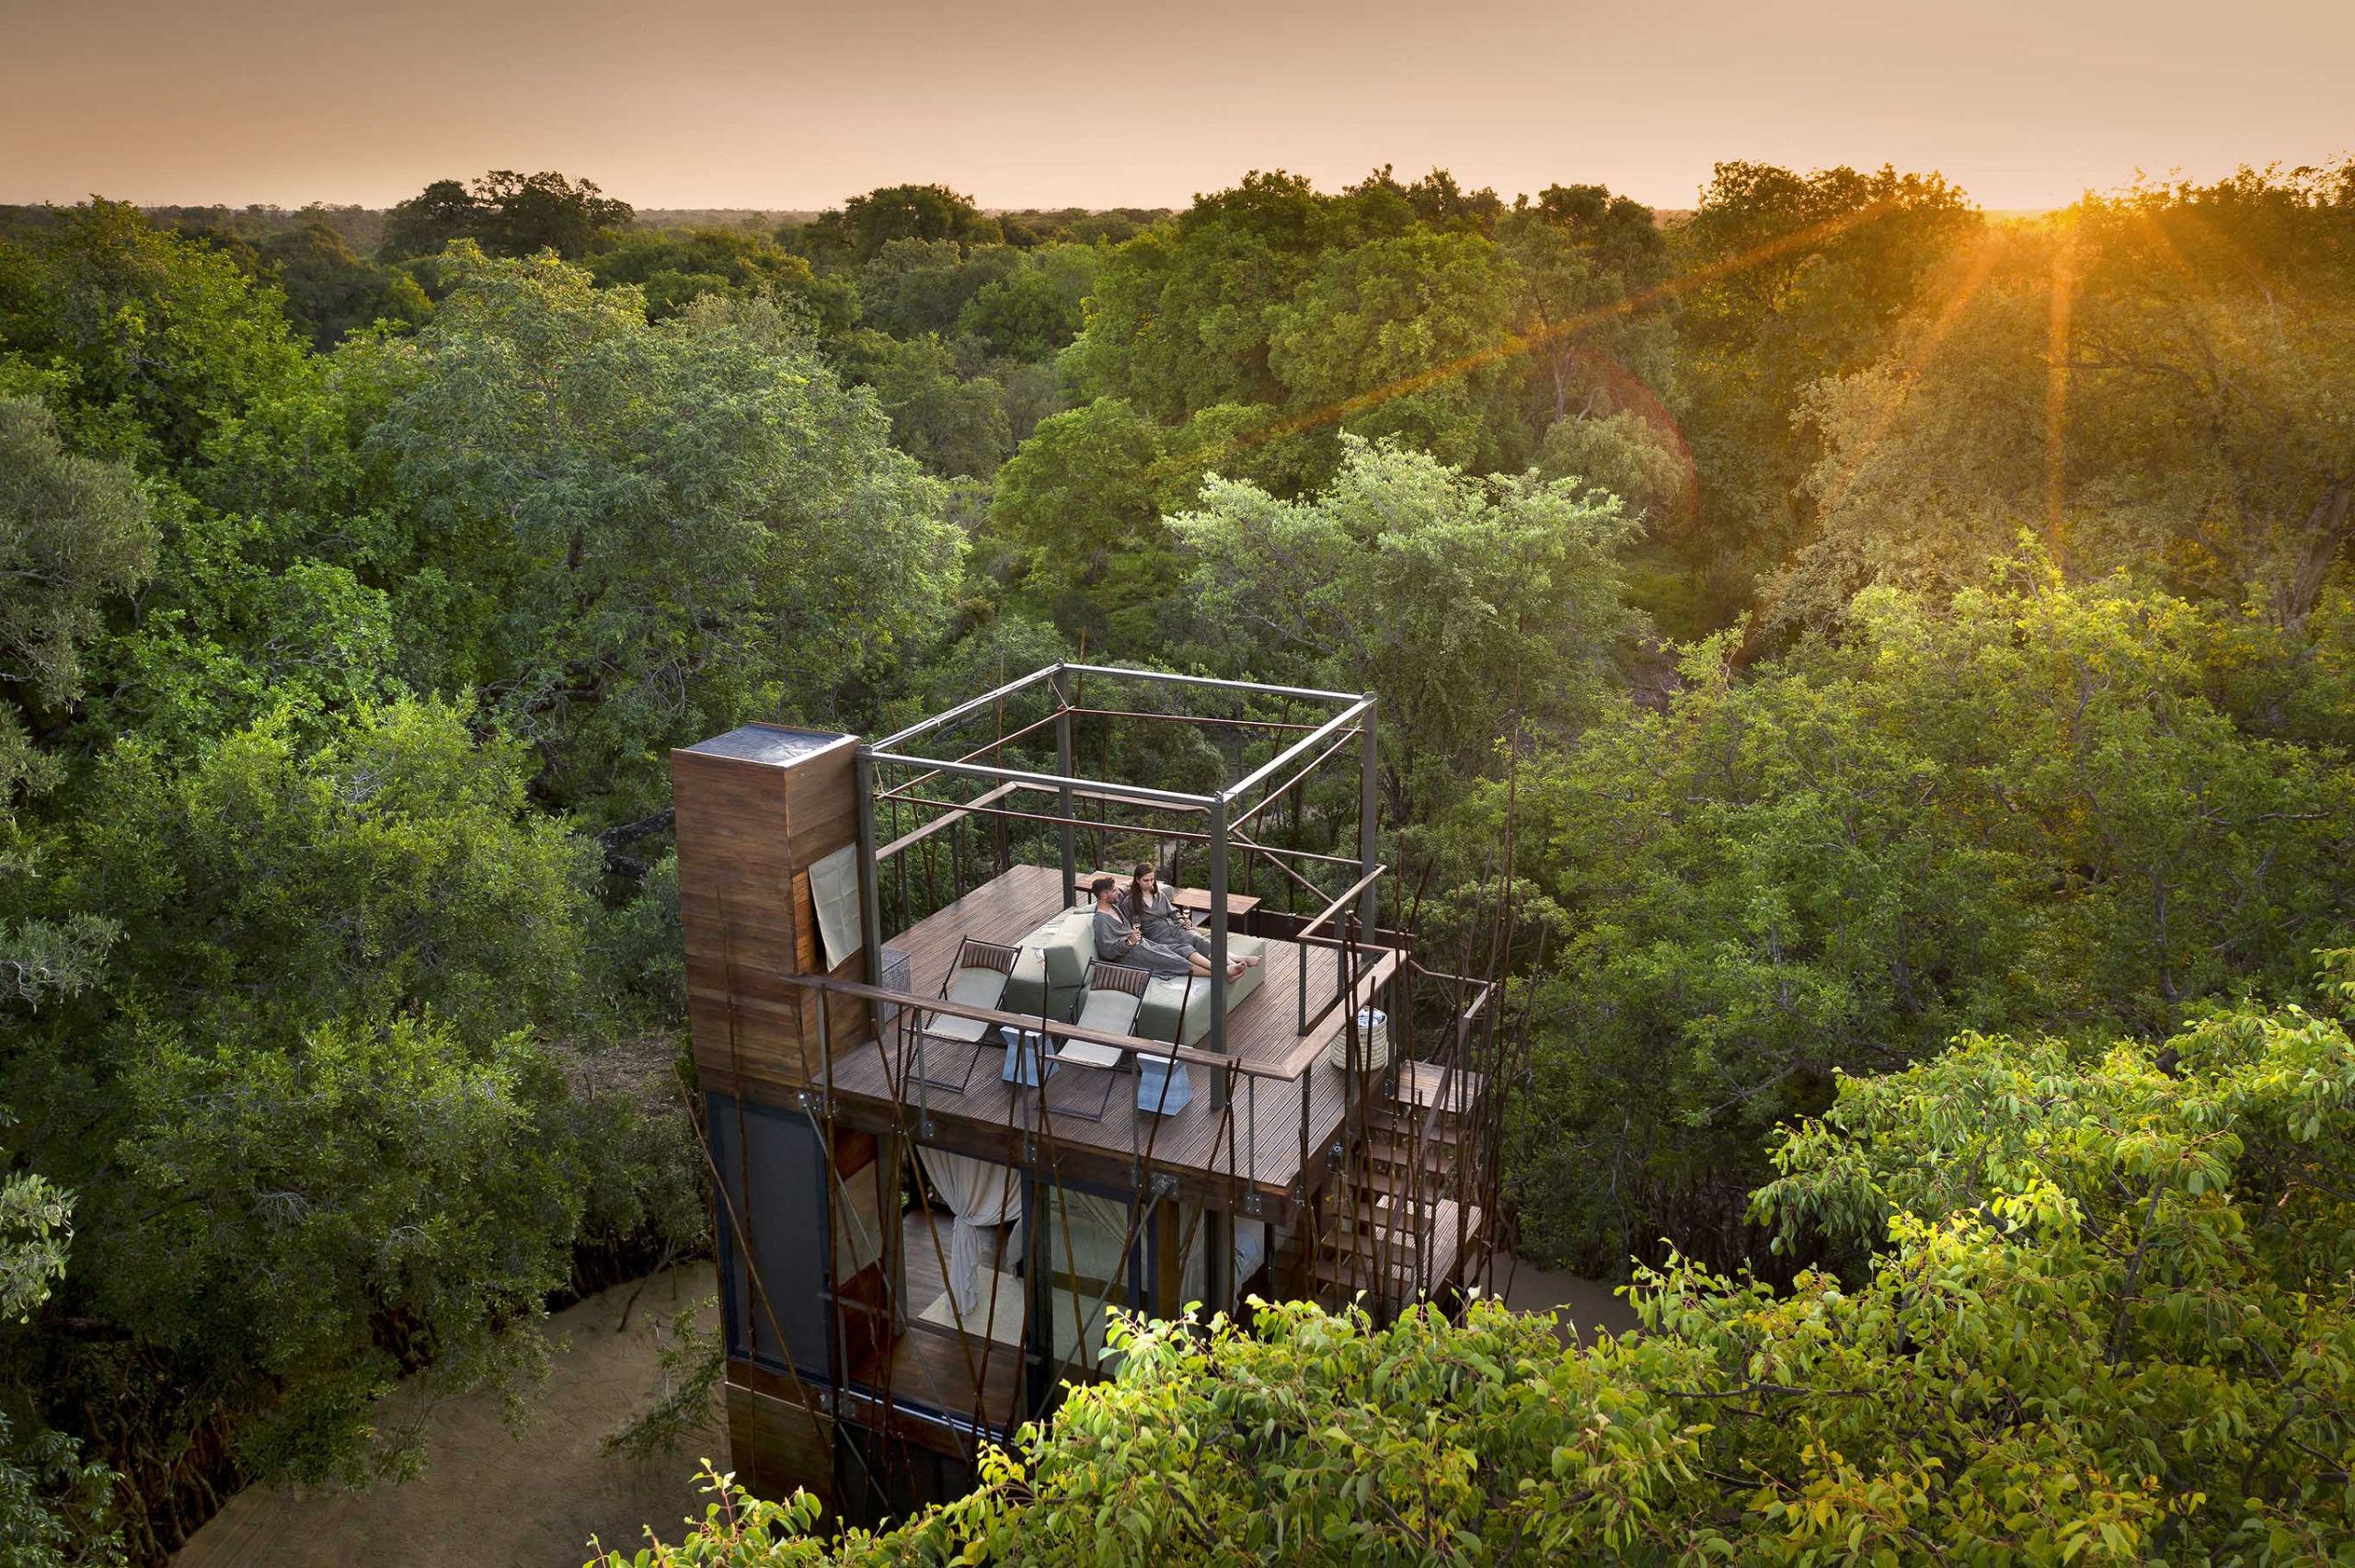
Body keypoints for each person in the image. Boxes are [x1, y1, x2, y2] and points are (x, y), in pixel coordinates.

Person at [1089, 875, 1243, 981]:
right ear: (1104, 895)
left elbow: (1126, 886)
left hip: (1143, 944)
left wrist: (1137, 880)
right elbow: (1106, 951)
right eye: (1114, 890)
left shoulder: (1113, 904)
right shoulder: (1101, 920)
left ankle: (1222, 969)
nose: (1118, 892)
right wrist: (1129, 942)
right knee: (1174, 961)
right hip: (1131, 955)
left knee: (1181, 949)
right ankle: (1222, 974)